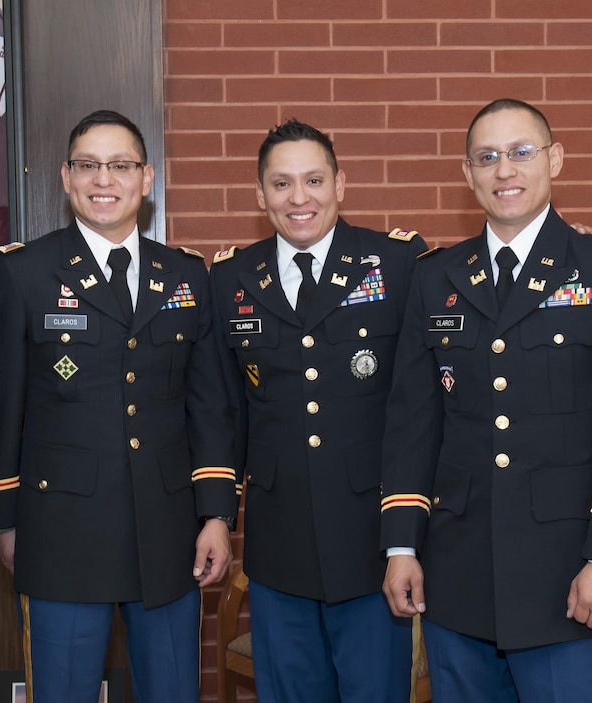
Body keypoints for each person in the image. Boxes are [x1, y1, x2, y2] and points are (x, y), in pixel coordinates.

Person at [380, 98, 592, 703]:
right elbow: (413, 425)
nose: (505, 170)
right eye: (488, 157)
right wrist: (401, 544)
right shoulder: (435, 278)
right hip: (459, 573)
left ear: (554, 159)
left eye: (522, 152)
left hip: (568, 577)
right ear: (467, 173)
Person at [0, 109, 239, 703]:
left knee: (174, 689)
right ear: (66, 177)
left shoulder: (185, 274)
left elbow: (207, 407)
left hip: (168, 530)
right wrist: (6, 517)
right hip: (63, 531)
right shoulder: (23, 271)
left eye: (121, 165)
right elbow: (6, 405)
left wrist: (217, 514)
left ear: (146, 178)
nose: (105, 179)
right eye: (88, 165)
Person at [209, 119, 426, 702]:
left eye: (313, 180)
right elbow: (224, 412)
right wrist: (217, 515)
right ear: (260, 195)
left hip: (371, 541)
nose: (298, 198)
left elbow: (422, 405)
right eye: (281, 184)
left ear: (340, 183)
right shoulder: (230, 278)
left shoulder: (399, 264)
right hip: (279, 547)